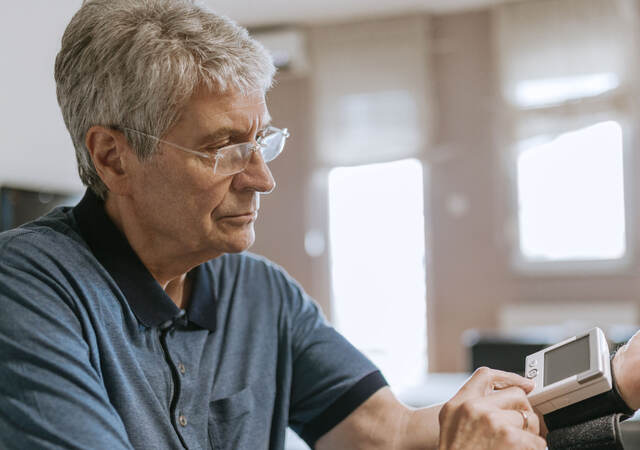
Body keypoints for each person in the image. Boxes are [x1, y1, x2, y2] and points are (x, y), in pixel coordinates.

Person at [0, 0, 586, 448]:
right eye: (225, 147)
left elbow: (390, 431)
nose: (262, 179)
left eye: (261, 141)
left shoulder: (262, 293)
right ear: (112, 157)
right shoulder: (27, 289)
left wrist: (614, 379)